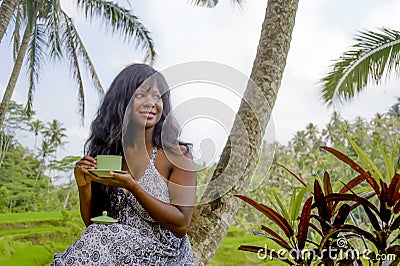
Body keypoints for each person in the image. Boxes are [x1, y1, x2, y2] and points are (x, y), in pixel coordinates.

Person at [52, 64, 197, 265]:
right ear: (123, 101)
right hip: (117, 251)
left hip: (164, 254)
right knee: (96, 235)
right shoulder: (107, 155)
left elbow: (181, 224)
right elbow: (94, 223)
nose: (151, 103)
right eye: (141, 95)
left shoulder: (175, 154)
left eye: (157, 97)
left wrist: (133, 186)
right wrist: (83, 186)